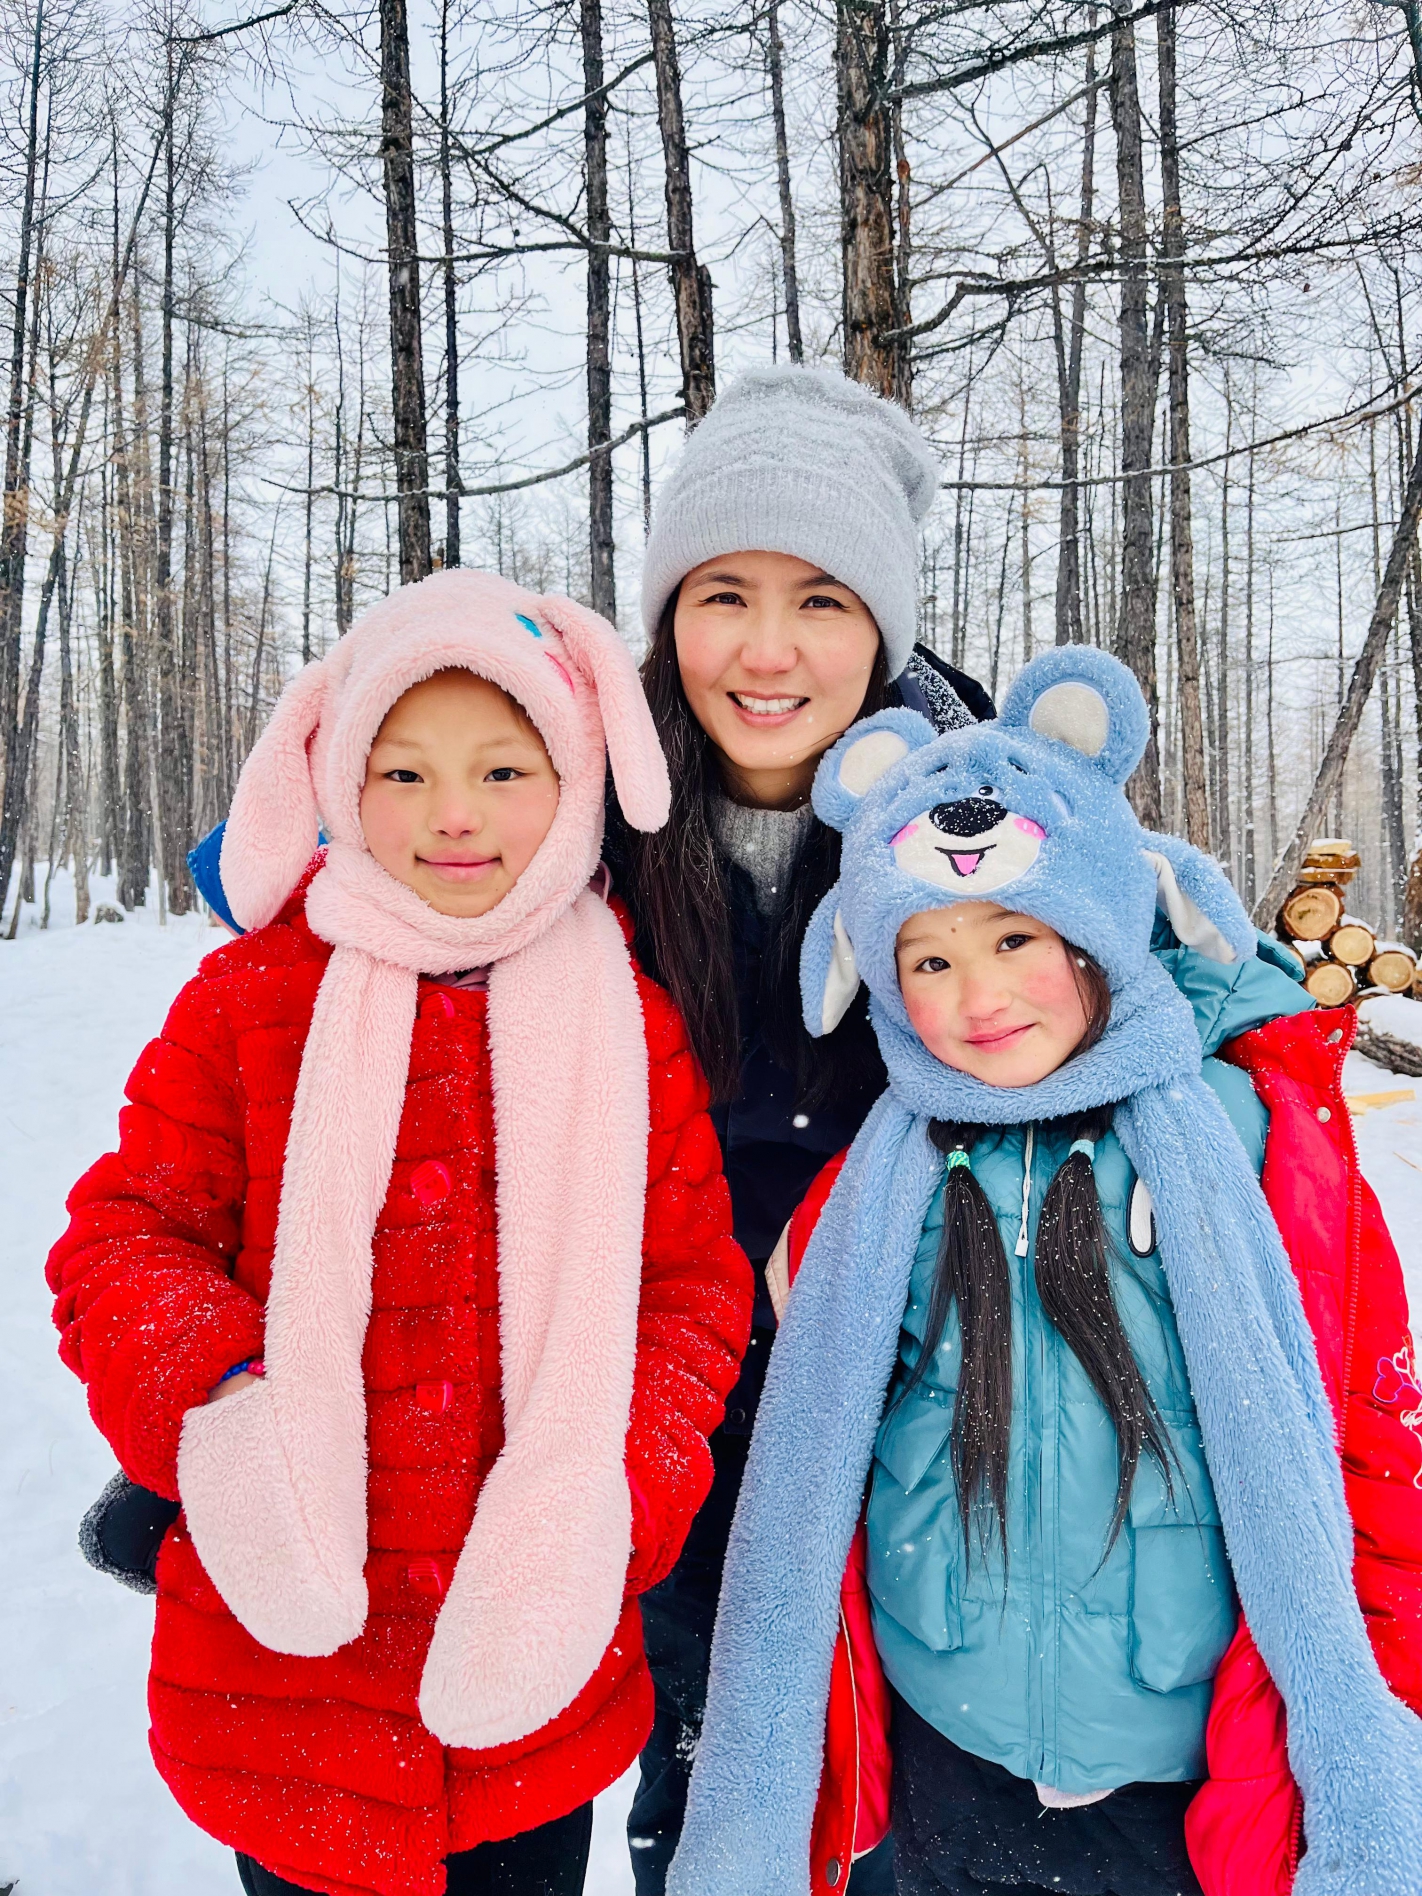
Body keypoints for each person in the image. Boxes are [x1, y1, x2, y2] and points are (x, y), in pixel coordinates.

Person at [78, 363, 991, 1892]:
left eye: (822, 601)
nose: (766, 650)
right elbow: (379, 893)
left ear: (884, 625)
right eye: (721, 594)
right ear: (662, 617)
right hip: (587, 1451)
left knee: (860, 1804)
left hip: (843, 1409)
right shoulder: (585, 816)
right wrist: (221, 1425)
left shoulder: (964, 828)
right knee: (688, 1796)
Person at [667, 646, 1422, 1896]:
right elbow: (818, 1454)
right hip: (946, 1746)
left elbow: (1358, 1439)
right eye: (929, 959)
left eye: (1016, 935)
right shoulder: (874, 1187)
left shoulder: (1242, 1146)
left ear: (1099, 921)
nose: (979, 996)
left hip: (1173, 1772)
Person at [47, 570, 753, 1896]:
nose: (454, 818)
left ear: (575, 779)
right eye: (406, 772)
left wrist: (619, 1488)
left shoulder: (628, 1025)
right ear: (340, 781)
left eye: (501, 769)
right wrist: (223, 1403)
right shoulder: (253, 996)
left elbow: (687, 1292)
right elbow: (125, 1234)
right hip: (288, 1688)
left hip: (528, 1685)